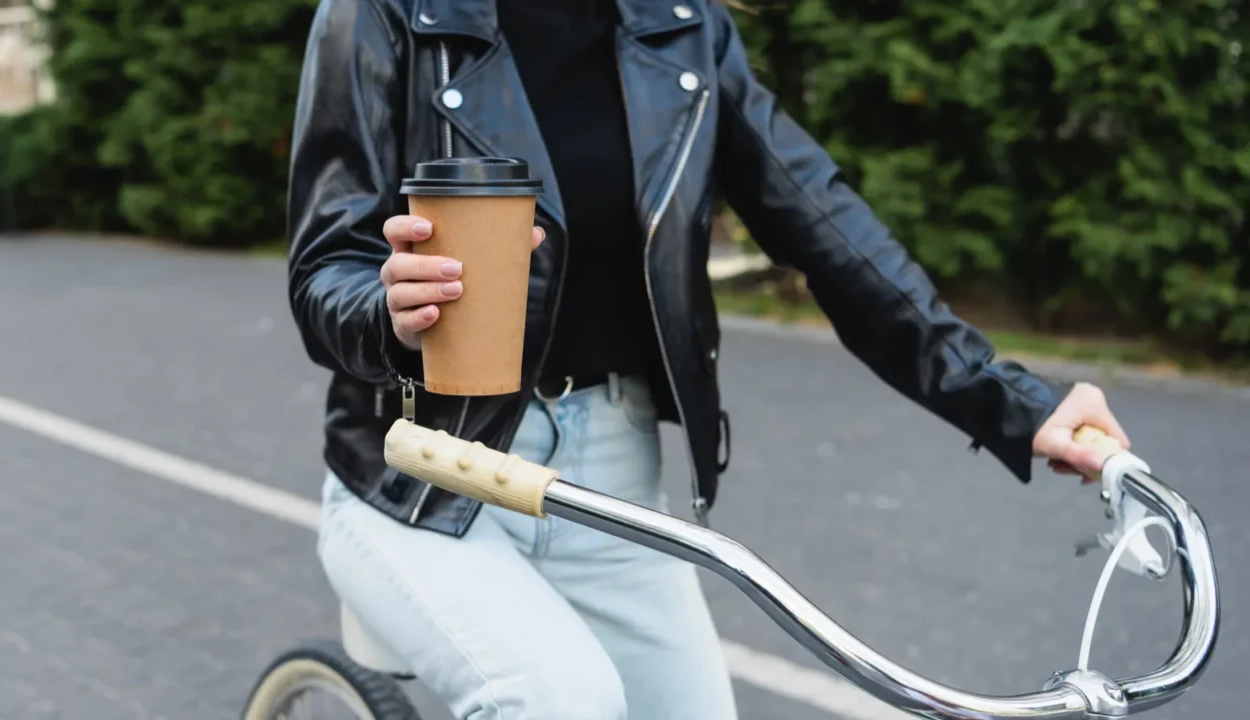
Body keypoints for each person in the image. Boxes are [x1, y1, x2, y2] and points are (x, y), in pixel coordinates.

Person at [285, 1, 1131, 718]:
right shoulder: (384, 12)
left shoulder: (682, 27)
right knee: (556, 698)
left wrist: (1016, 407)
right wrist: (390, 309)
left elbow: (827, 229)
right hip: (418, 471)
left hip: (607, 469)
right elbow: (327, 266)